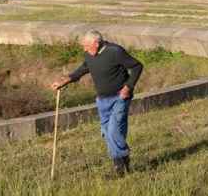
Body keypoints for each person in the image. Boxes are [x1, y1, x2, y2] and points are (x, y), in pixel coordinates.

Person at [50, 30, 143, 176]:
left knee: (113, 130)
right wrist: (66, 79)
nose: (84, 49)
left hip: (119, 97)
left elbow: (137, 66)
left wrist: (128, 86)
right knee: (107, 133)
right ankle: (123, 162)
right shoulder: (89, 54)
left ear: (96, 43)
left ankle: (120, 166)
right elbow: (83, 69)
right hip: (102, 100)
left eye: (86, 46)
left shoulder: (115, 51)